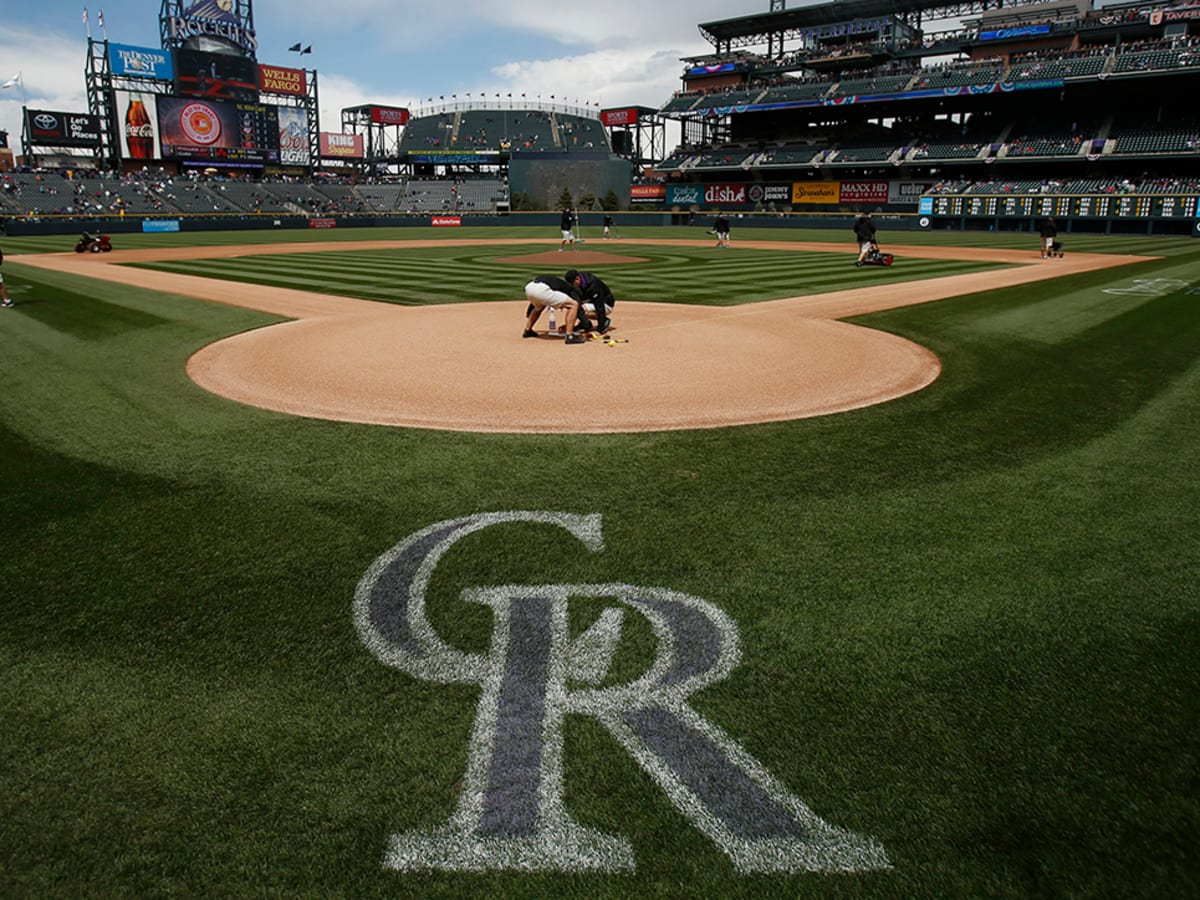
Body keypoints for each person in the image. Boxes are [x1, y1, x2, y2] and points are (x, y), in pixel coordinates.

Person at [523, 274, 585, 343]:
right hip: (541, 290)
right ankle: (570, 336)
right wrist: (586, 324)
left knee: (539, 306)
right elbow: (578, 307)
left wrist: (529, 312)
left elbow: (535, 302)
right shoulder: (570, 289)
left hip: (529, 287)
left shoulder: (559, 283)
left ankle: (528, 330)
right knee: (573, 305)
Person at [565, 268, 614, 334]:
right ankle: (585, 324)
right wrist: (568, 326)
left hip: (606, 304)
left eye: (573, 283)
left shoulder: (593, 285)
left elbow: (599, 306)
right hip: (592, 302)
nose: (572, 285)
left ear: (577, 278)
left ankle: (604, 321)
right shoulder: (580, 283)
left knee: (583, 308)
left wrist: (600, 328)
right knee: (575, 305)